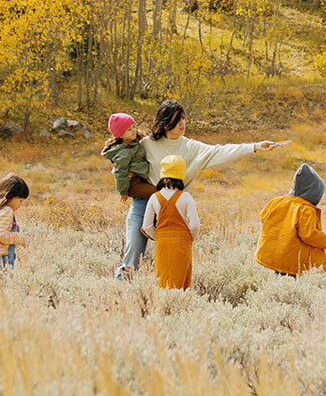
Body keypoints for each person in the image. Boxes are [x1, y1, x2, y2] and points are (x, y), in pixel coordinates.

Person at [110, 98, 275, 280]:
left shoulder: (192, 147)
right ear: (165, 123)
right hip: (144, 203)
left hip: (173, 208)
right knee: (133, 253)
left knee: (169, 258)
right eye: (177, 119)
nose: (182, 123)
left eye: (183, 119)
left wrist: (254, 147)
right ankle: (120, 292)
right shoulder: (147, 144)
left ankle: (164, 296)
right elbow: (120, 163)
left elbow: (221, 150)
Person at [255, 163, 326, 277]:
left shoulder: (277, 201)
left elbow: (263, 217)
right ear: (313, 192)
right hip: (292, 260)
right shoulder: (306, 210)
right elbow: (309, 235)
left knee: (279, 281)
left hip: (276, 256)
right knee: (291, 284)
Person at [101, 112, 155, 281]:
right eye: (129, 129)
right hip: (136, 187)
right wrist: (123, 191)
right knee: (157, 193)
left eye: (133, 127)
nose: (133, 131)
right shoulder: (123, 152)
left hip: (142, 185)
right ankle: (120, 287)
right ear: (120, 135)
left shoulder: (138, 141)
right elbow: (120, 174)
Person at [142, 156, 200, 289]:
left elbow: (147, 226)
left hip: (162, 242)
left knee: (162, 278)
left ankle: (163, 306)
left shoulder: (154, 198)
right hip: (182, 242)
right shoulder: (186, 197)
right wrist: (190, 238)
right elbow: (195, 225)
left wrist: (158, 236)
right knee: (181, 280)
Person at [0, 173, 29, 274]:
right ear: (10, 196)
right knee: (4, 288)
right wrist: (18, 238)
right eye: (20, 200)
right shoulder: (7, 211)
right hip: (1, 263)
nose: (21, 204)